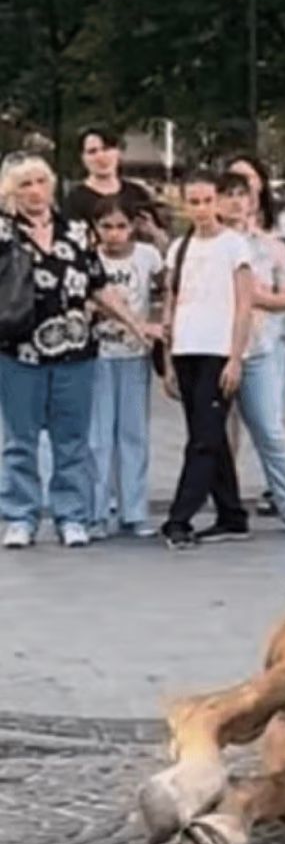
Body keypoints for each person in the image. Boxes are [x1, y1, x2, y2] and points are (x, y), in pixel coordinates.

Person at [0, 153, 158, 549]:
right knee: (20, 438)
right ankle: (21, 515)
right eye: (25, 184)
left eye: (40, 181)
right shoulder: (3, 232)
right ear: (11, 192)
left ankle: (72, 513)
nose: (35, 192)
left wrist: (133, 322)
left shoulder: (73, 230)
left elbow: (96, 284)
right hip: (20, 351)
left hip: (76, 351)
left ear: (52, 185)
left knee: (72, 439)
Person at [218, 170, 285, 536]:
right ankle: (224, 509)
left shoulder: (270, 246)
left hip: (262, 345)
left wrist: (265, 301)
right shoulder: (203, 245)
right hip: (215, 346)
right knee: (215, 434)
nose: (234, 201)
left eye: (240, 194)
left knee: (269, 427)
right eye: (226, 194)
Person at [160, 170, 255, 549]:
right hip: (186, 347)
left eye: (206, 201)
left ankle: (179, 517)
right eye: (193, 202)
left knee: (204, 437)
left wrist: (236, 357)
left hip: (219, 349)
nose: (201, 209)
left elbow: (245, 304)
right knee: (206, 434)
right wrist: (167, 361)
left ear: (217, 202)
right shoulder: (179, 248)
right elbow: (171, 302)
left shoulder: (235, 246)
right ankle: (232, 514)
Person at [88, 194, 164, 539]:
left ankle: (134, 510)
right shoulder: (90, 260)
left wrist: (160, 327)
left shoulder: (147, 257)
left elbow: (170, 286)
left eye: (121, 226)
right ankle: (97, 511)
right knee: (99, 437)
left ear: (133, 226)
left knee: (133, 433)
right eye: (106, 226)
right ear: (95, 228)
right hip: (98, 355)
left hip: (136, 354)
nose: (115, 234)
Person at [61, 126, 170, 251]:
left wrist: (152, 232)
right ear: (83, 158)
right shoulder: (75, 199)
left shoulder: (137, 193)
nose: (101, 156)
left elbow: (163, 242)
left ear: (118, 152)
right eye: (92, 151)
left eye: (106, 149)